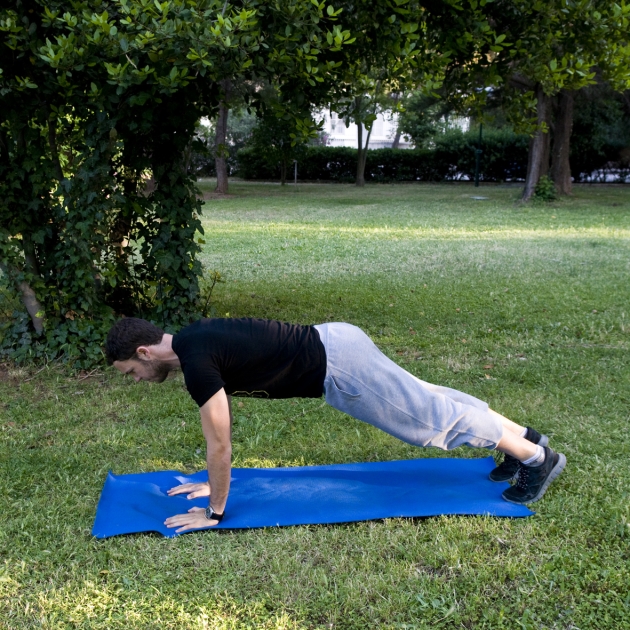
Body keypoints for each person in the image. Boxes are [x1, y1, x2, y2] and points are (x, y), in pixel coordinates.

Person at [105, 317, 566, 532]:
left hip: (340, 367)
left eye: (131, 372)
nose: (139, 380)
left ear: (144, 352)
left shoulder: (196, 362)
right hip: (336, 340)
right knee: (430, 399)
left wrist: (215, 510)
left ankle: (536, 459)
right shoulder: (193, 338)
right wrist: (211, 483)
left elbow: (220, 445)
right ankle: (523, 440)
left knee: (427, 420)